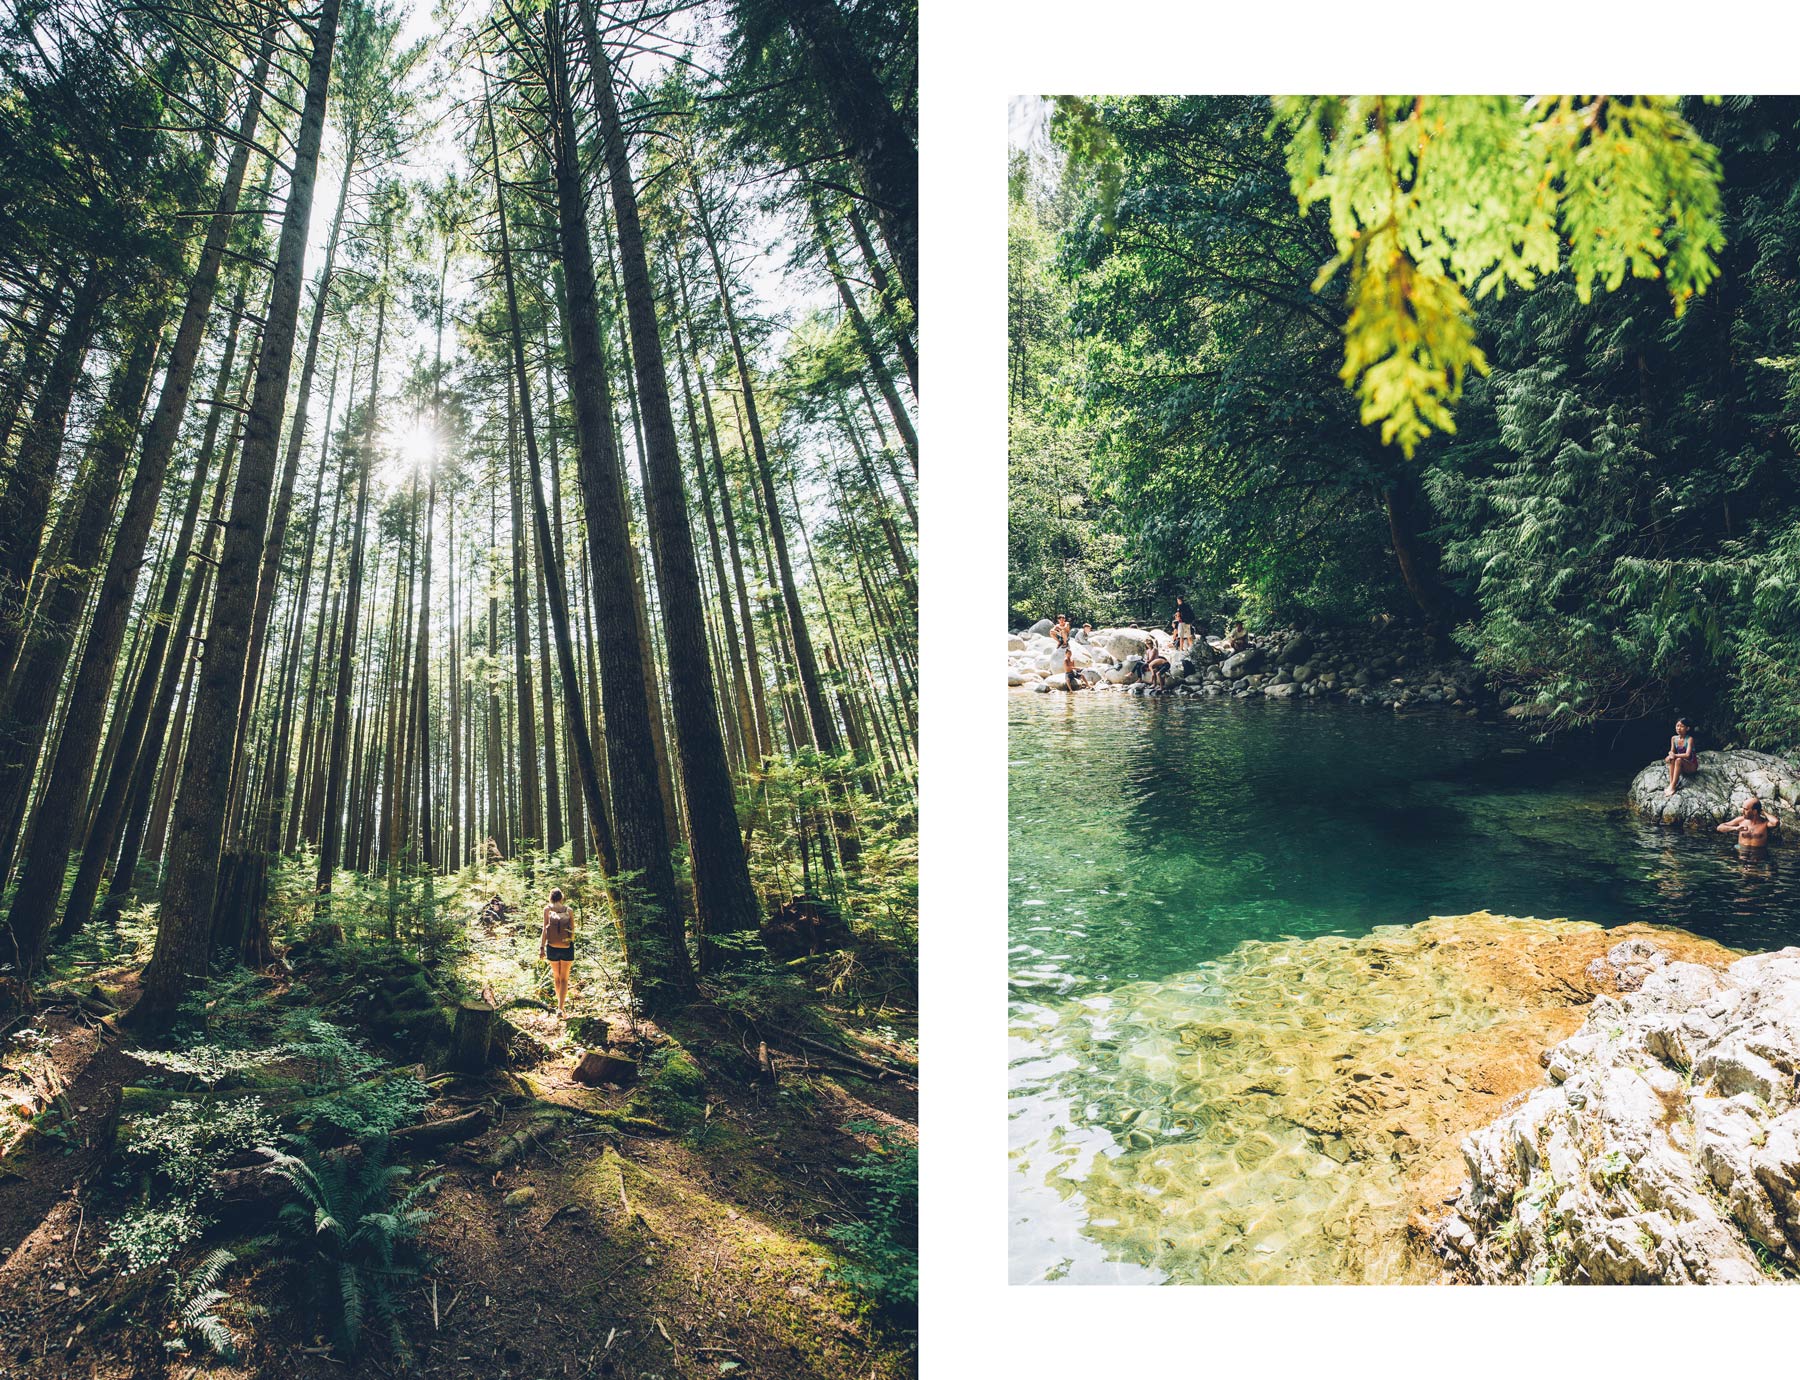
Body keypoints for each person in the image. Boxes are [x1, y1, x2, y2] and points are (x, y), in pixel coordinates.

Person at [539, 887, 576, 1017]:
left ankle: (558, 1006)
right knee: (565, 978)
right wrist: (568, 941)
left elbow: (544, 929)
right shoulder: (569, 910)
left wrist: (542, 948)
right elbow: (572, 932)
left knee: (557, 978)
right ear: (561, 897)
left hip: (552, 947)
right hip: (567, 948)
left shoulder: (547, 910)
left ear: (550, 897)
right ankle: (560, 1008)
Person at [1664, 718, 1698, 797]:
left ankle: (1673, 787)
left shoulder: (1689, 739)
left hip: (1691, 766)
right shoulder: (1673, 738)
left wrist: (1674, 755)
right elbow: (1672, 751)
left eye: (1682, 726)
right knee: (1672, 760)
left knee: (1678, 760)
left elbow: (1687, 755)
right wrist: (1669, 756)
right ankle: (1671, 783)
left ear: (1687, 728)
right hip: (1681, 765)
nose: (1679, 728)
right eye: (1677, 726)